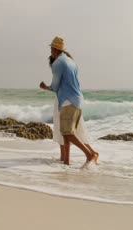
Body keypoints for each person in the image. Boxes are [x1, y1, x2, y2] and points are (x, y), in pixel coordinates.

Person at [39, 36, 98, 167]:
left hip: (67, 100)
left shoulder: (57, 63)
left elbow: (55, 86)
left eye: (51, 49)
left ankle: (89, 154)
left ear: (54, 49)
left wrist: (44, 87)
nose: (51, 52)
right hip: (78, 99)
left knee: (67, 132)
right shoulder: (72, 62)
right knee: (67, 132)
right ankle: (66, 162)